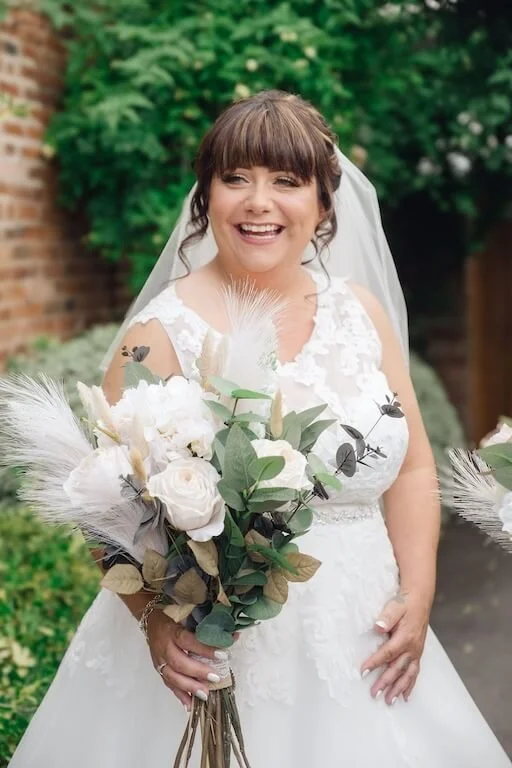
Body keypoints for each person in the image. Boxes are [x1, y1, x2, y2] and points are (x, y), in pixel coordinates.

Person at [8, 90, 511, 767]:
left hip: (366, 642)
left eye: (286, 180)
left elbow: (414, 467)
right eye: (235, 177)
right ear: (206, 195)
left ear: (324, 204)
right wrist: (154, 622)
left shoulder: (359, 313)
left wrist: (418, 596)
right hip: (216, 653)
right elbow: (106, 505)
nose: (258, 201)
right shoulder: (160, 333)